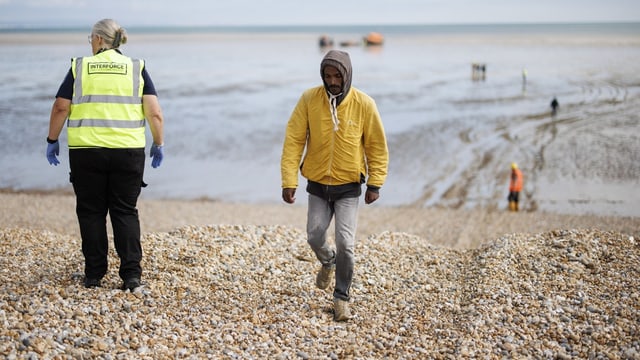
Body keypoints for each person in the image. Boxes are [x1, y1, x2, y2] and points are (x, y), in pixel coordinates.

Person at [46, 19, 165, 291]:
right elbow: (154, 112)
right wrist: (158, 143)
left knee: (91, 212)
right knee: (125, 211)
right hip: (128, 152)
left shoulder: (80, 67)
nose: (90, 42)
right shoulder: (136, 68)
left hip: (87, 152)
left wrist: (52, 139)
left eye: (91, 37)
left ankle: (94, 275)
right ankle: (131, 276)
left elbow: (60, 107)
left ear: (99, 39)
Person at [280, 50, 389, 321]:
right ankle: (328, 262)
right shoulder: (309, 99)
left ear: (347, 74)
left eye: (337, 76)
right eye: (327, 76)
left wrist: (375, 183)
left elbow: (376, 146)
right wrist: (289, 180)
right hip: (317, 183)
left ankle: (342, 298)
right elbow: (294, 140)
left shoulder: (364, 104)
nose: (332, 81)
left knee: (346, 244)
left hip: (349, 186)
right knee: (315, 235)